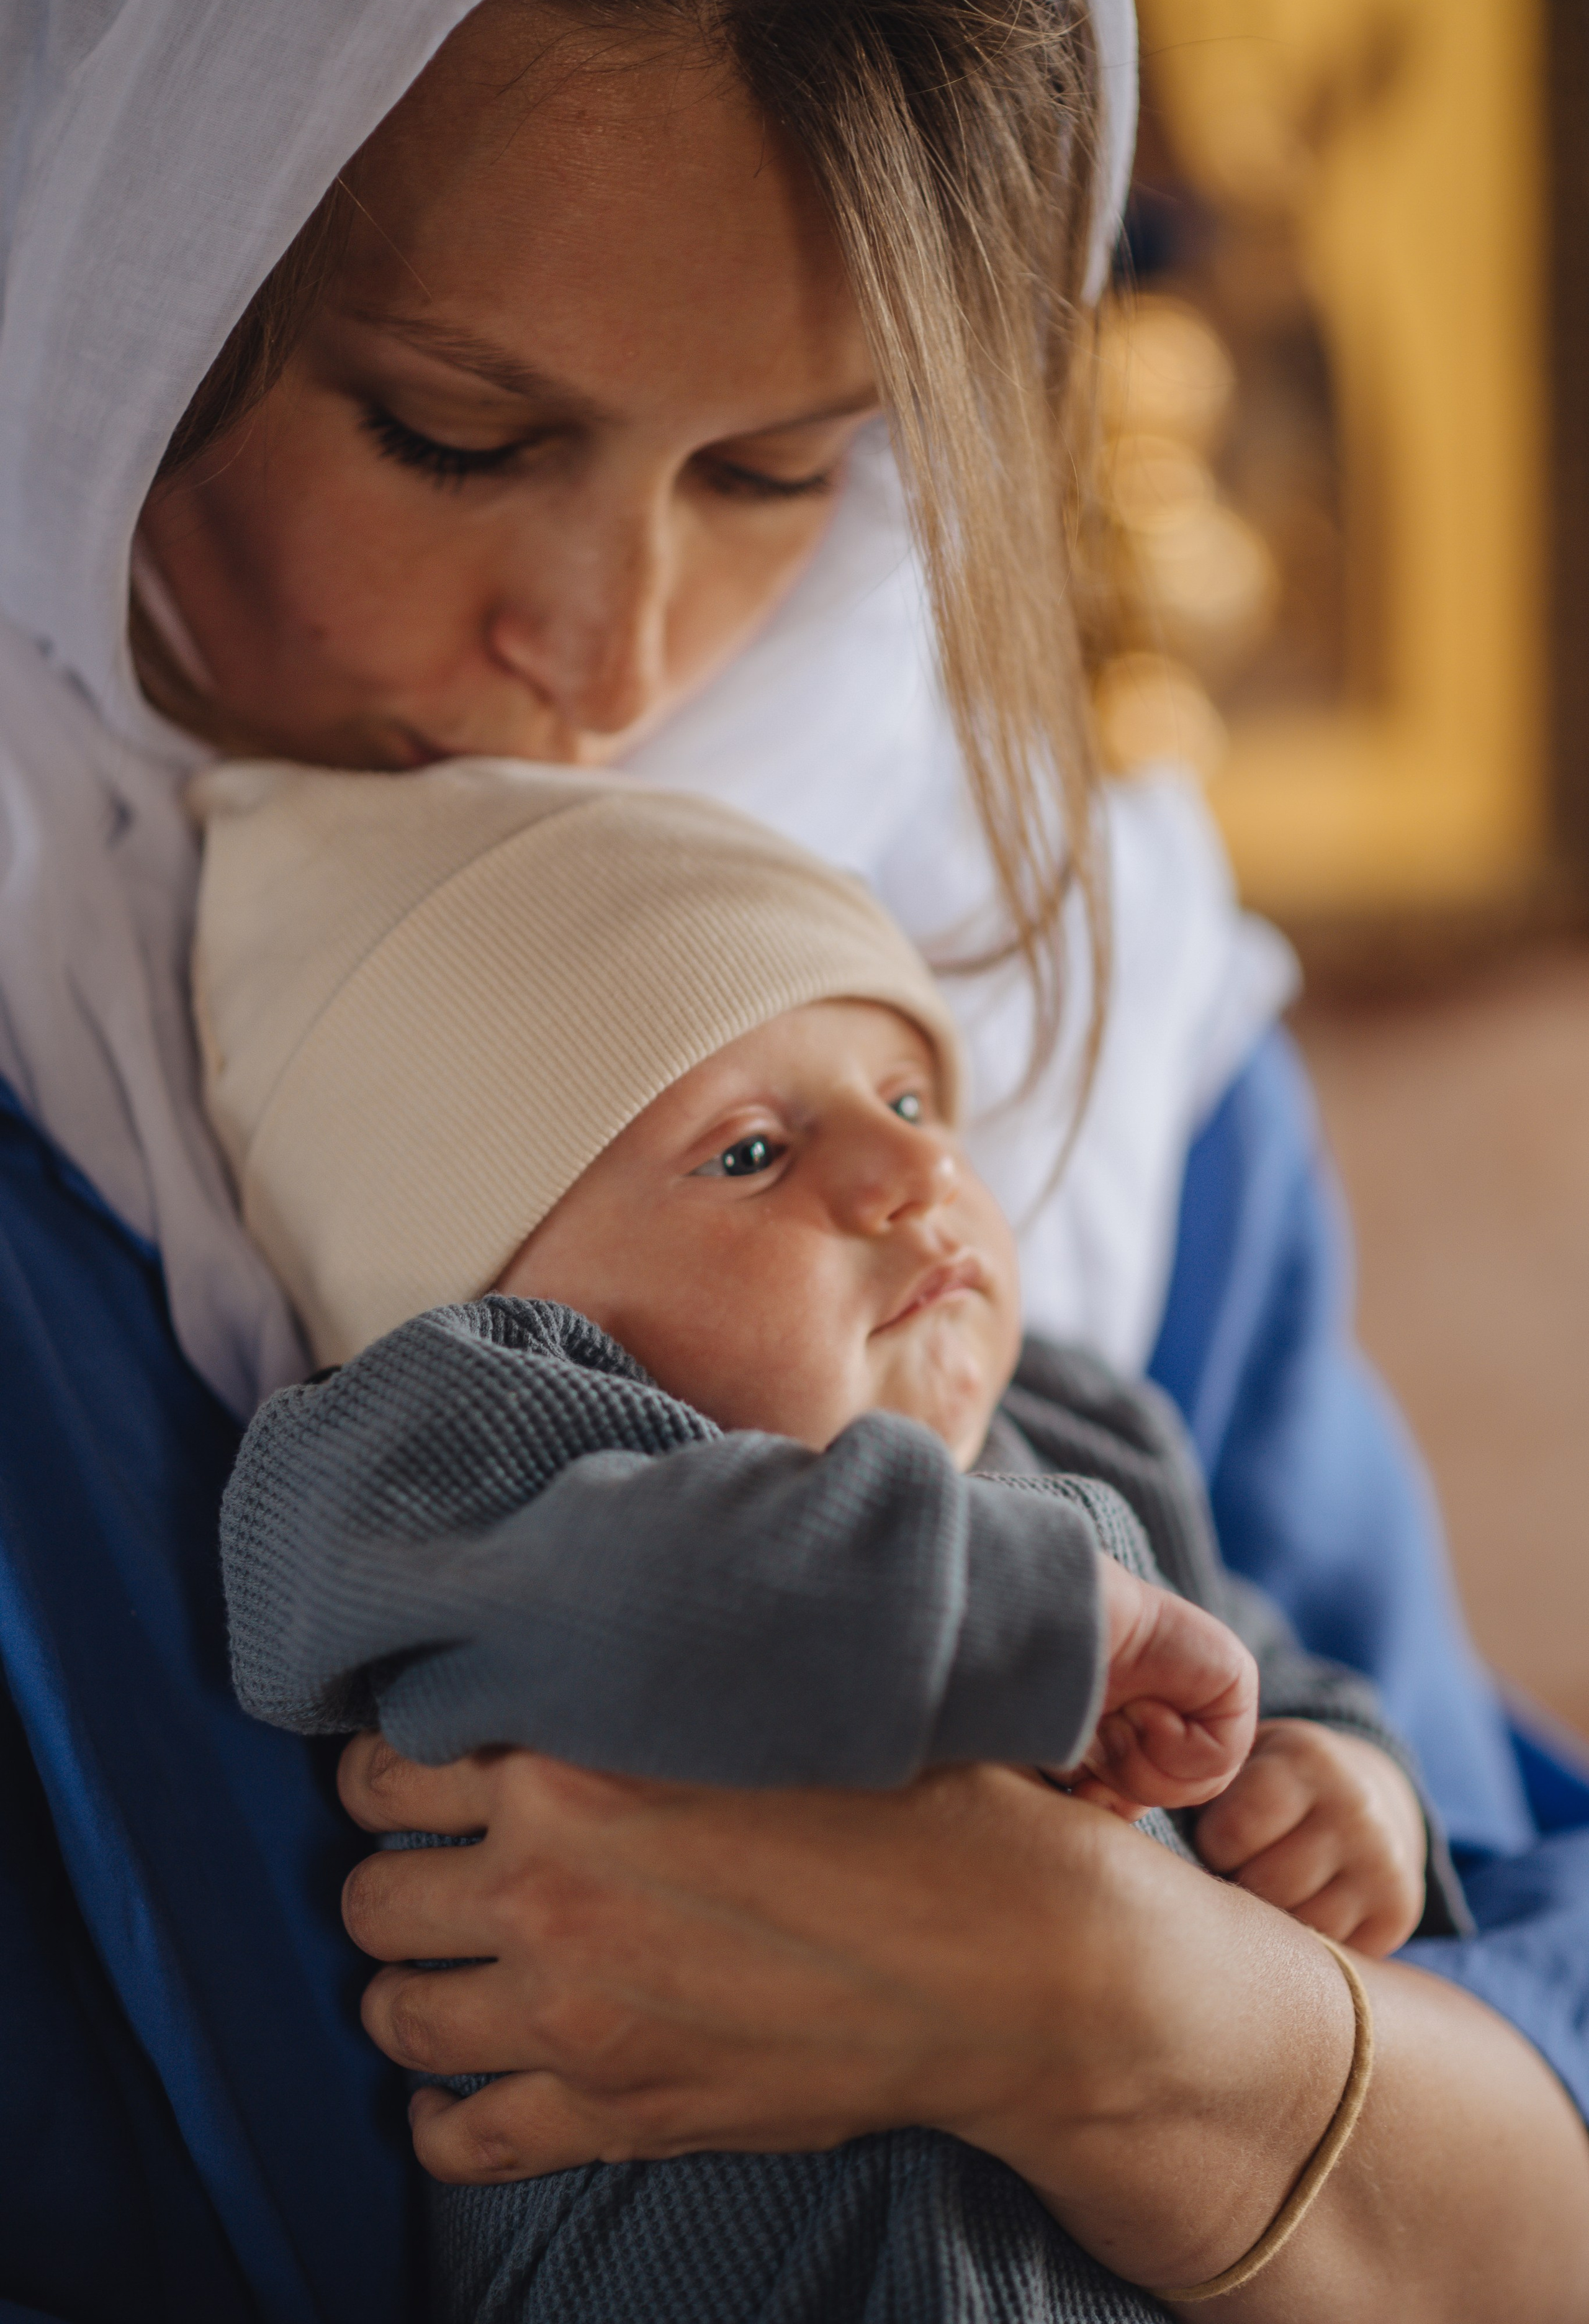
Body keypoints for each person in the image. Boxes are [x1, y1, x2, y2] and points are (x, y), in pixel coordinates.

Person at [0, 0, 1587, 2319]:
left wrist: (1112, 2004)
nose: (620, 655)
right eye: (452, 432)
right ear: (128, 264)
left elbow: (1519, 2056)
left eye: (780, 467)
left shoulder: (1089, 1016)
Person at [204, 757, 1437, 2317]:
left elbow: (1256, 1660)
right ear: (497, 1303)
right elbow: (675, 1588)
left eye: (910, 1099)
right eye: (751, 1153)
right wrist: (1018, 1602)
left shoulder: (1081, 1427)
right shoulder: (442, 1457)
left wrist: (1337, 1788)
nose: (915, 1171)